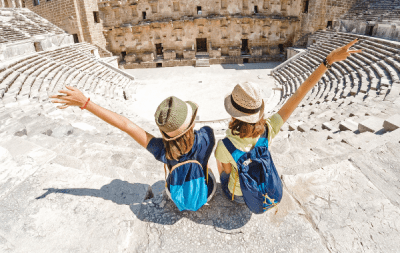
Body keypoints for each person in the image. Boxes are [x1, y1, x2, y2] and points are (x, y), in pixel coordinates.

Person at [215, 38, 362, 203]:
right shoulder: (268, 129)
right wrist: (328, 61)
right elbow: (299, 93)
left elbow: (226, 173)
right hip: (261, 188)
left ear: (233, 114)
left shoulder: (224, 145)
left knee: (222, 172)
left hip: (241, 196)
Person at [50, 91, 217, 208]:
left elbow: (126, 126)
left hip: (176, 197)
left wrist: (86, 103)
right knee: (206, 168)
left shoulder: (162, 149)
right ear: (192, 124)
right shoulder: (207, 136)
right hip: (205, 193)